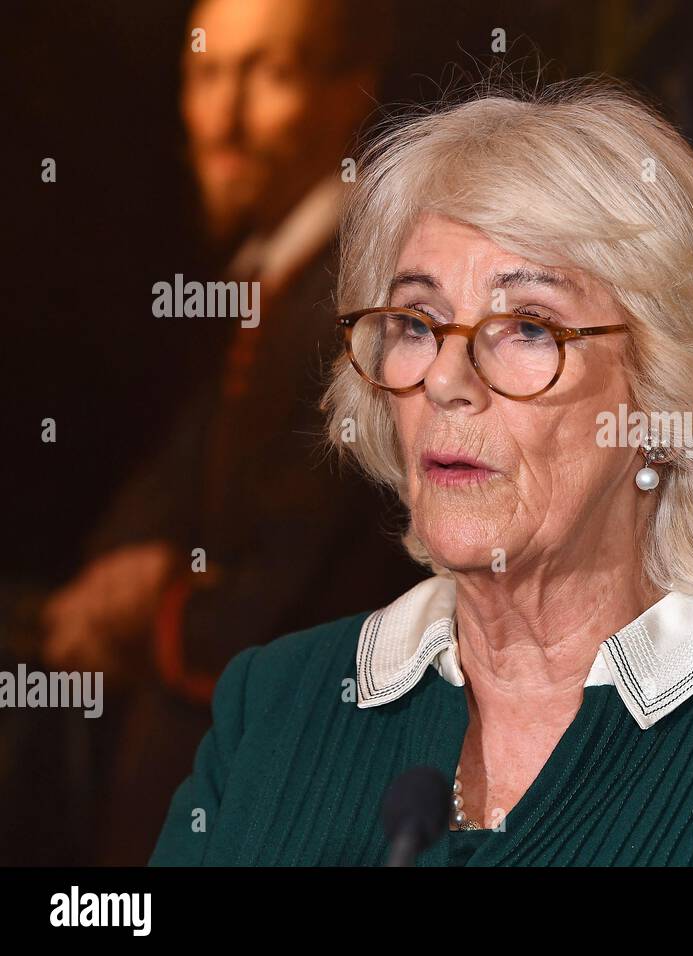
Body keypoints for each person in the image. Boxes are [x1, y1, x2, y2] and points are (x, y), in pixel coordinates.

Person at [150, 78, 693, 866]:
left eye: (528, 326)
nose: (445, 380)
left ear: (666, 395)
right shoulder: (279, 703)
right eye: (417, 323)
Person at [40, 0, 419, 864]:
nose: (225, 117)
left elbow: (314, 598)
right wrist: (120, 570)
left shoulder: (371, 295)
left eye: (268, 74)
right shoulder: (262, 289)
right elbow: (181, 477)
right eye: (206, 74)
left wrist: (159, 607)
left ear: (345, 92)